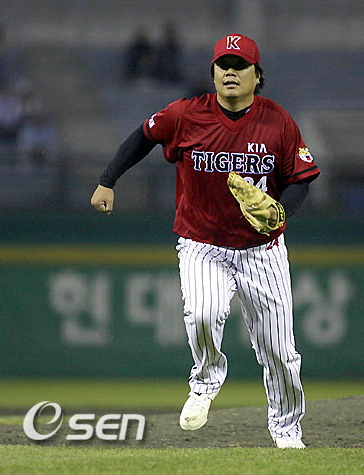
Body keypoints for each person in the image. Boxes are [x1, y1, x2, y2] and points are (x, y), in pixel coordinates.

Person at [91, 33, 319, 449]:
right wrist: (108, 180)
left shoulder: (278, 122)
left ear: (257, 75)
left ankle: (287, 431)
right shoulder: (186, 115)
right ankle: (205, 382)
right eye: (223, 65)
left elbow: (301, 180)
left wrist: (281, 211)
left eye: (240, 65)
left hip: (261, 250)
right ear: (212, 73)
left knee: (279, 351)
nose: (231, 72)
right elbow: (143, 135)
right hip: (202, 244)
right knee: (203, 313)